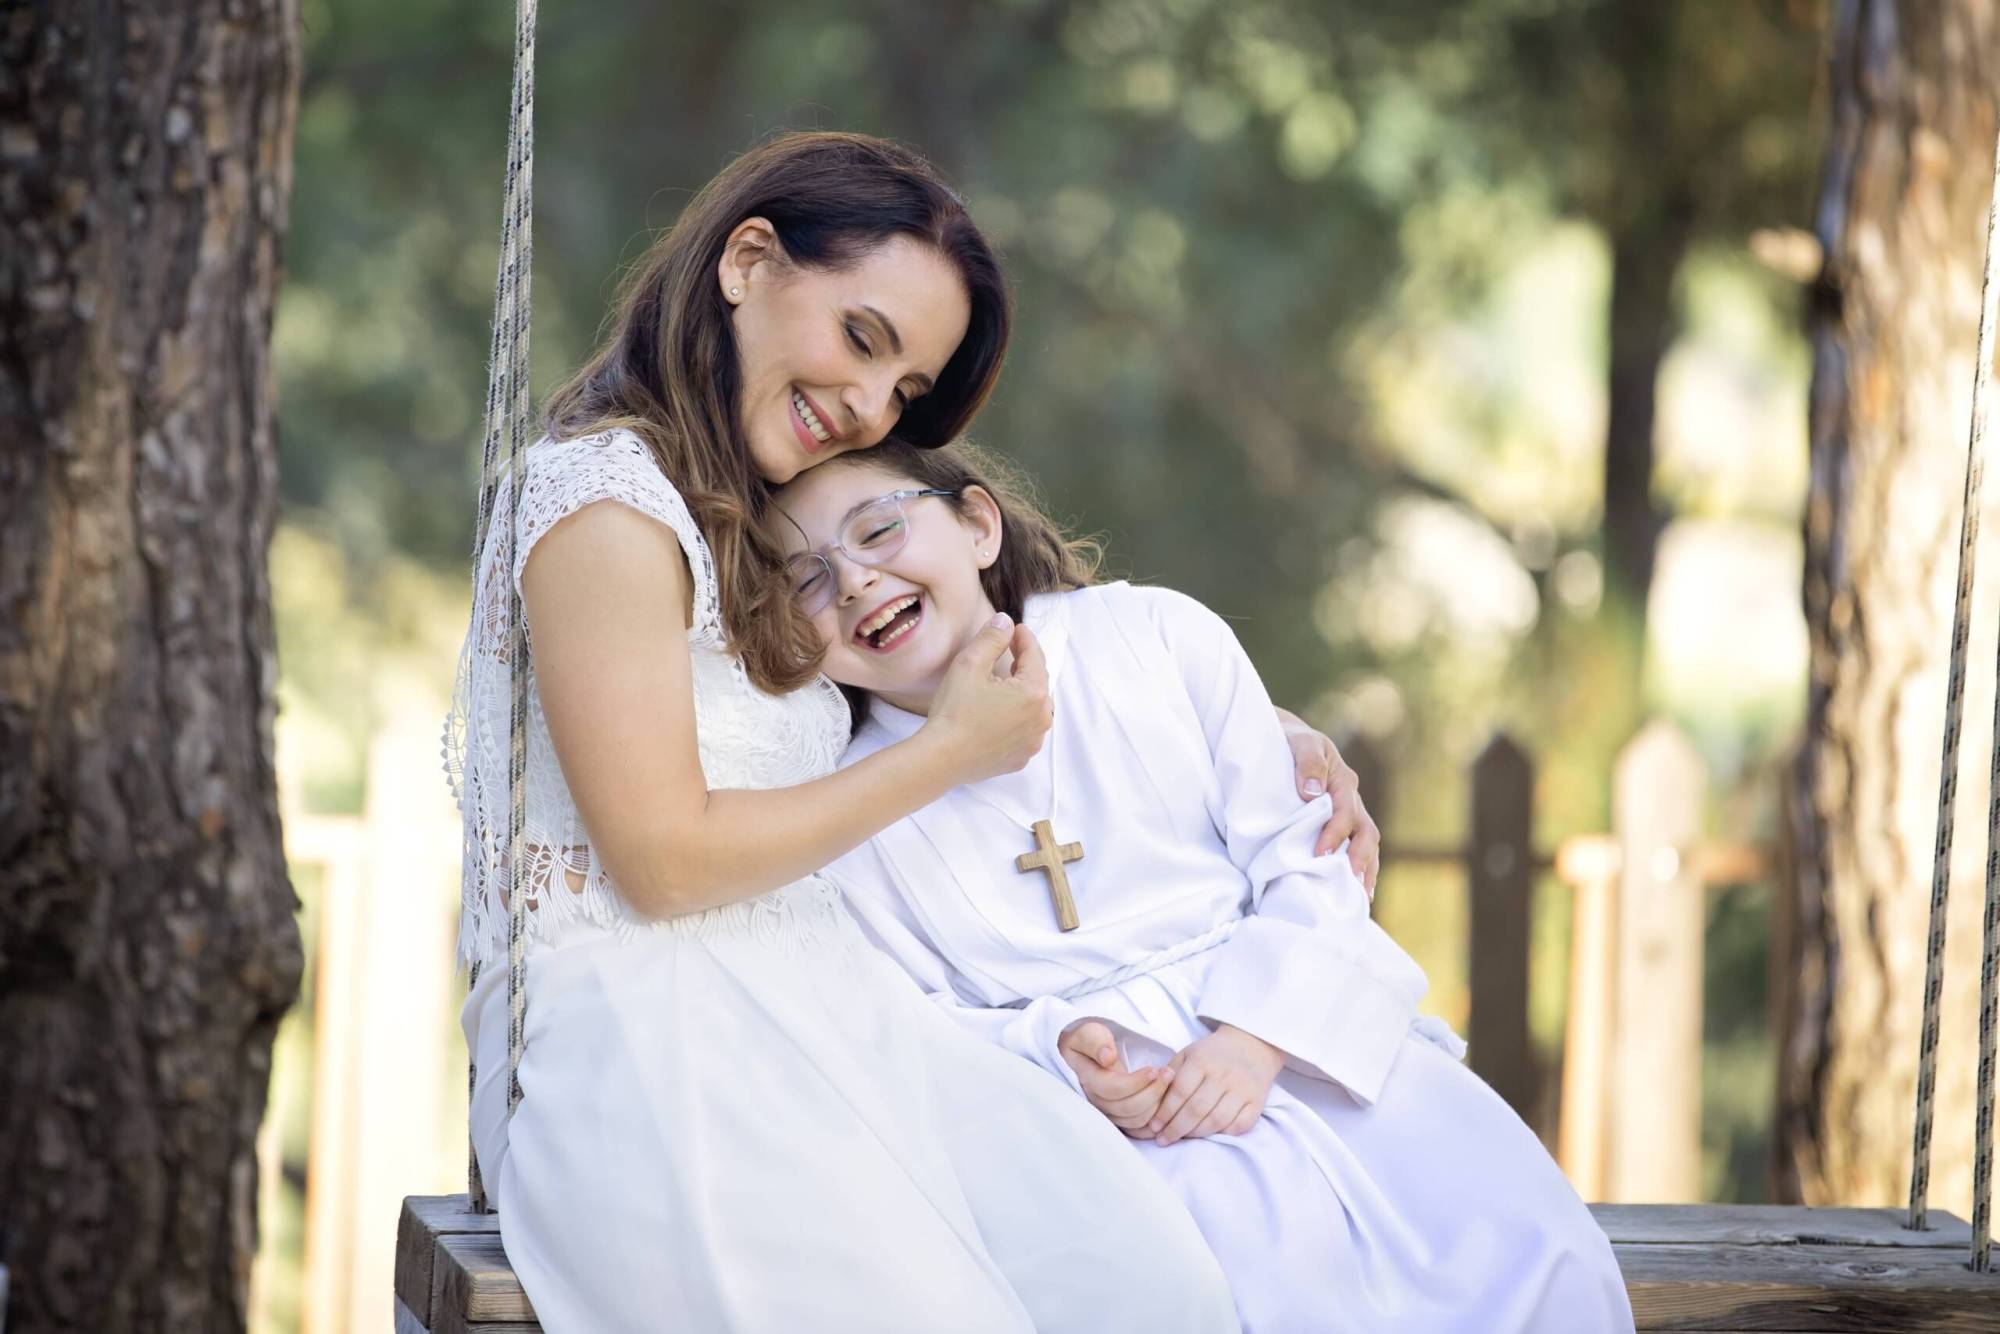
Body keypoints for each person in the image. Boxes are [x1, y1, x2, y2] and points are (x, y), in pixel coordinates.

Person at [446, 131, 1359, 1333]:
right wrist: (947, 756)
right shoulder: (602, 506)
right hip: (655, 1027)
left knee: (1147, 1283)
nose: (870, 405)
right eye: (862, 338)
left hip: (835, 993)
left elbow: (962, 618)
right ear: (747, 262)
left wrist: (1257, 723)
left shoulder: (750, 503)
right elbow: (658, 859)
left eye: (905, 391)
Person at [776, 438, 1637, 1334]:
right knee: (1260, 1290)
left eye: (878, 530)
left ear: (978, 525)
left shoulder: (1150, 637)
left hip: (1306, 1043)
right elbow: (914, 1019)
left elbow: (1309, 857)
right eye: (805, 579)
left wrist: (1255, 1040)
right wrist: (1056, 1052)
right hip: (1125, 1133)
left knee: (1528, 1250)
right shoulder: (852, 807)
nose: (853, 582)